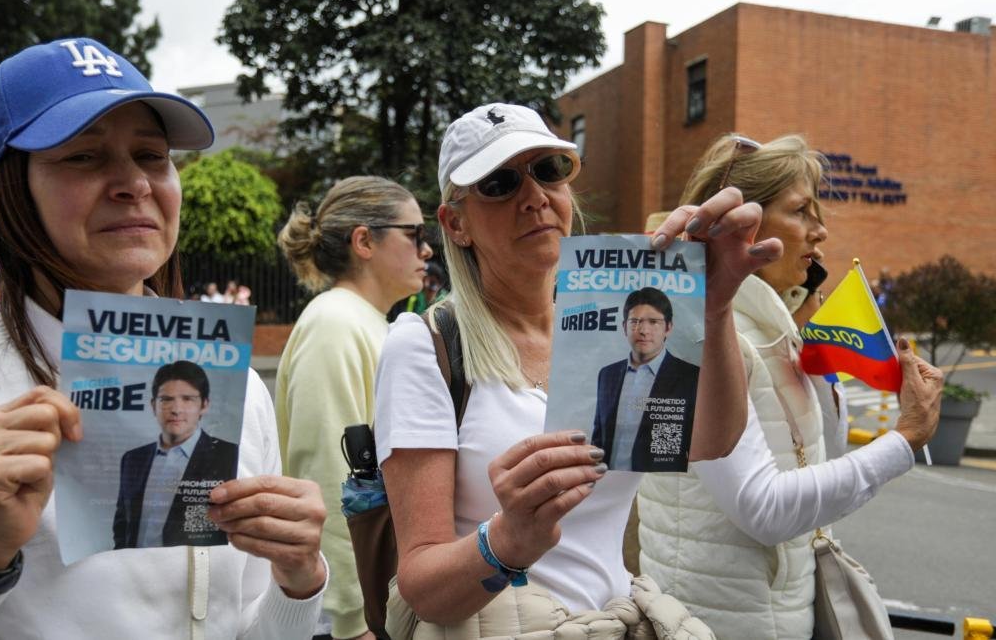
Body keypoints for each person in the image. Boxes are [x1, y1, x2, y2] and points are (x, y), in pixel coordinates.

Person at [0, 37, 327, 639]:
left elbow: (244, 624)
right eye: (84, 157)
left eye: (152, 155)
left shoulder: (235, 391)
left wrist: (298, 579)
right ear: (2, 198)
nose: (134, 183)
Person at [373, 102, 773, 628]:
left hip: (612, 622)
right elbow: (423, 589)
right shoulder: (425, 345)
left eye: (549, 170)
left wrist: (716, 305)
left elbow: (710, 440)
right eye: (499, 183)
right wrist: (508, 540)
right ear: (456, 223)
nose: (535, 197)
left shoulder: (613, 329)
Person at [636, 133, 943, 639]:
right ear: (741, 225)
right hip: (718, 623)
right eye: (801, 211)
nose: (820, 232)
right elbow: (764, 510)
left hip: (774, 616)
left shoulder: (771, 324)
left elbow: (821, 457)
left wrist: (815, 353)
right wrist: (904, 438)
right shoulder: (702, 329)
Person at [275, 175, 432, 640]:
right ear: (365, 240)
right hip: (353, 616)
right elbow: (328, 474)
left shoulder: (370, 324)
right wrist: (350, 619)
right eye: (415, 234)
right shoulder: (335, 324)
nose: (427, 251)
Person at [114, 360, 239, 550]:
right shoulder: (132, 459)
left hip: (190, 576)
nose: (176, 409)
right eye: (166, 399)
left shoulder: (227, 455)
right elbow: (123, 525)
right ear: (153, 405)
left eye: (187, 399)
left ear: (204, 405)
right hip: (130, 572)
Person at [594, 287, 699, 472]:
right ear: (624, 327)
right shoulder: (607, 374)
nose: (643, 330)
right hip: (607, 484)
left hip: (656, 489)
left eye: (653, 322)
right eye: (635, 321)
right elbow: (599, 437)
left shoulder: (690, 377)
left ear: (668, 327)